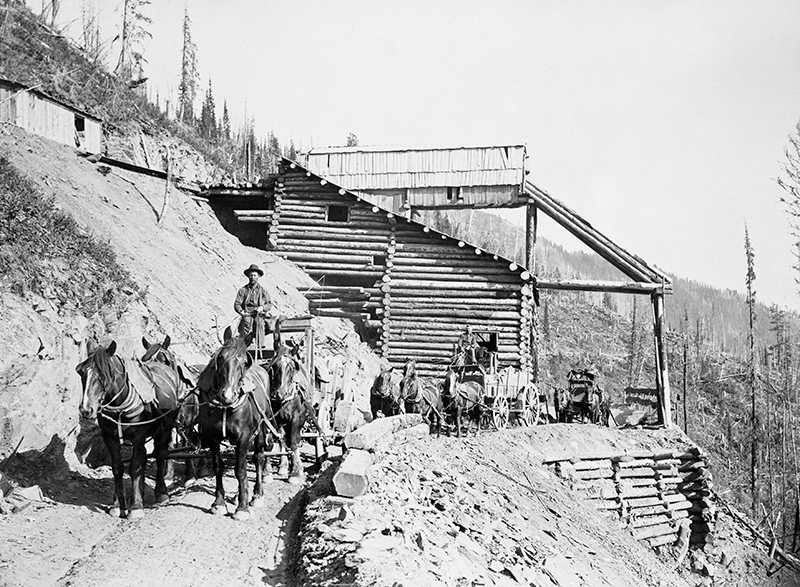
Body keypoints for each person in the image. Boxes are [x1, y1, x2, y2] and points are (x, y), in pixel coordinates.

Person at [234, 264, 272, 344]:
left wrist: (262, 307)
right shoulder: (243, 290)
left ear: (258, 276)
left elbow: (269, 304)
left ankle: (260, 345)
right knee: (246, 323)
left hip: (259, 313)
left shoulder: (263, 291)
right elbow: (237, 303)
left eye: (255, 275)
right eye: (251, 275)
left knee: (259, 323)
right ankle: (244, 345)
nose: (253, 277)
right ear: (248, 276)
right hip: (247, 313)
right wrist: (241, 311)